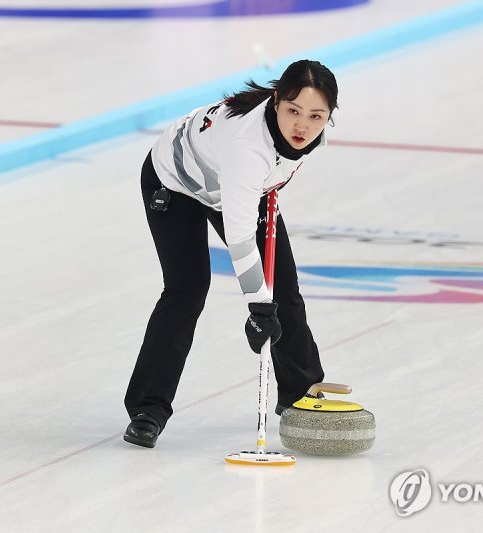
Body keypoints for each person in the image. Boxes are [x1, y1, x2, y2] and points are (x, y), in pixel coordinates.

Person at [124, 59, 338, 448]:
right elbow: (240, 237)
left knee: (284, 288)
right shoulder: (247, 148)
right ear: (276, 102)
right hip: (175, 183)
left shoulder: (309, 136)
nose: (302, 126)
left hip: (237, 186)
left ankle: (300, 393)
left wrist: (269, 302)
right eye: (293, 111)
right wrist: (258, 308)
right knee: (186, 290)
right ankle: (147, 409)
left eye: (315, 116)